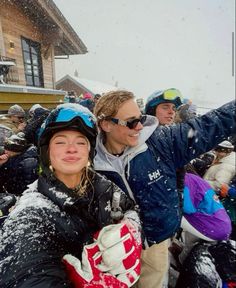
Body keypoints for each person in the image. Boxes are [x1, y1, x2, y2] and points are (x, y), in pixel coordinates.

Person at [93, 89, 235, 288]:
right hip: (114, 249)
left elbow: (211, 124)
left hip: (155, 242)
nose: (140, 126)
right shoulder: (89, 160)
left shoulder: (163, 141)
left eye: (140, 118)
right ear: (106, 124)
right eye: (131, 122)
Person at [0, 103, 142, 288]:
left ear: (89, 151)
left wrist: (131, 227)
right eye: (60, 141)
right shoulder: (30, 216)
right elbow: (27, 277)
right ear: (46, 150)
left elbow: (130, 208)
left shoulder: (103, 187)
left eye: (81, 142)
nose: (72, 148)